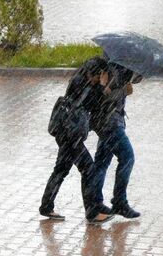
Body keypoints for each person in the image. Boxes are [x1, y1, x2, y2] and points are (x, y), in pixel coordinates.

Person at [39, 56, 112, 223]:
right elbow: (95, 104)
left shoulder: (79, 79)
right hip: (71, 135)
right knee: (88, 169)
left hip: (64, 132)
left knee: (61, 169)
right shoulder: (86, 85)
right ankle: (92, 213)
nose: (102, 77)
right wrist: (102, 87)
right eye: (101, 74)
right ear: (96, 73)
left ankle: (46, 206)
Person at [91, 63, 142, 219]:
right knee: (127, 157)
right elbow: (104, 96)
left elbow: (136, 80)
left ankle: (94, 203)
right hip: (110, 123)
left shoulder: (122, 66)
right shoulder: (111, 67)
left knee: (101, 162)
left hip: (107, 121)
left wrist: (129, 82)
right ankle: (119, 201)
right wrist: (122, 91)